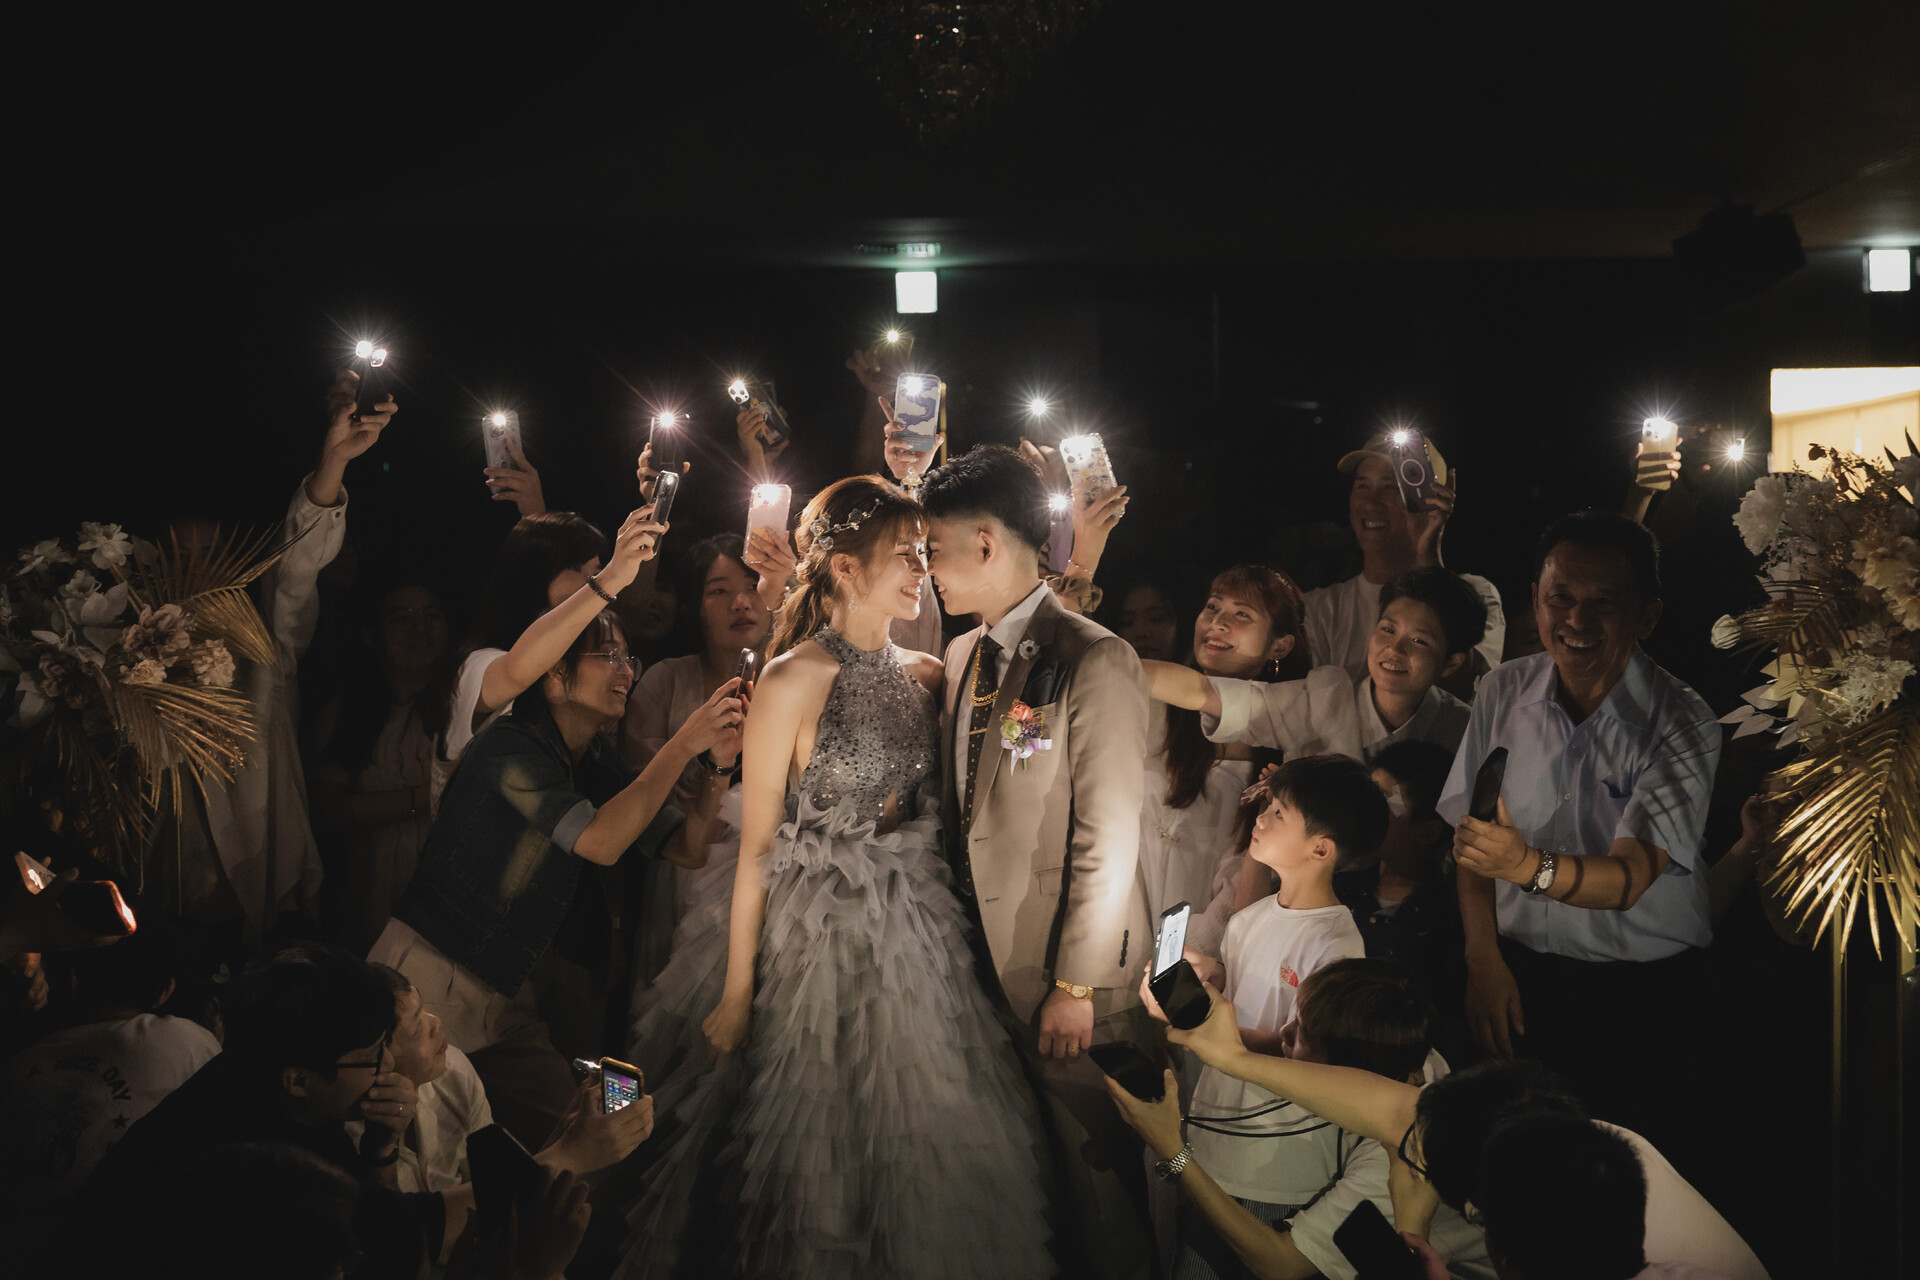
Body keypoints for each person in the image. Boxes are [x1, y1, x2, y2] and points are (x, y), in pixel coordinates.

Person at [623, 475, 1051, 1279]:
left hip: (915, 917)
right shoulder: (791, 678)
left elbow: (1015, 749)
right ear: (847, 569)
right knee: (814, 1135)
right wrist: (738, 993)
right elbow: (756, 847)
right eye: (905, 555)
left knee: (920, 1123)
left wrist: (1036, 725)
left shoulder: (931, 671)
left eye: (923, 554)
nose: (922, 570)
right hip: (810, 926)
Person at [921, 443, 1160, 1280]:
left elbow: (1110, 834)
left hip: (1070, 985)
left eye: (935, 549)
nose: (928, 569)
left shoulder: (1094, 656)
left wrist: (1077, 985)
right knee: (1034, 1196)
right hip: (982, 971)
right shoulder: (963, 656)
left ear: (986, 543)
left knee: (1105, 1197)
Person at [373, 610, 738, 1146]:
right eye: (607, 656)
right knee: (414, 1149)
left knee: (572, 1139)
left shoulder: (592, 760)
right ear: (555, 676)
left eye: (627, 657)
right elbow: (601, 842)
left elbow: (688, 848)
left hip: (509, 998)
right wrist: (683, 743)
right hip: (430, 982)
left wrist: (718, 766)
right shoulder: (508, 746)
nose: (625, 671)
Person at [1441, 511, 1720, 1155]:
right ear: (1535, 599)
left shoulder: (1682, 721)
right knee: (1512, 1174)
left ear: (1647, 616)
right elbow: (1472, 843)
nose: (1576, 620)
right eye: (1559, 597)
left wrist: (1525, 866)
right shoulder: (1501, 691)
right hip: (1519, 981)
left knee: (1632, 1186)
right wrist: (1482, 959)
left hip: (1641, 999)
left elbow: (1629, 880)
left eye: (1604, 603)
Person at [1164, 994, 1768, 1280]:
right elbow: (1397, 1110)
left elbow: (1280, 1266)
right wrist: (1234, 1058)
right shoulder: (1584, 1150)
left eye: (1415, 1160)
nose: (1402, 1150)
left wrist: (1172, 1151)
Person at [154, 369, 394, 943]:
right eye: (179, 558)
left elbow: (298, 565)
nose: (197, 573)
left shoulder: (265, 645)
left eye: (210, 555)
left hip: (258, 893)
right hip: (158, 897)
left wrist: (333, 463)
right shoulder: (123, 661)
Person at [1142, 756, 1387, 1279]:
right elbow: (1247, 989)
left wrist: (1210, 1030)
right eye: (1267, 806)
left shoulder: (1337, 944)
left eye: (1278, 813)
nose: (1260, 818)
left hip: (1278, 1156)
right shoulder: (1249, 918)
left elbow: (1311, 1054)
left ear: (1321, 849)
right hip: (1215, 1136)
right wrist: (1207, 979)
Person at [75, 945, 456, 1279]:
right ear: (299, 1081)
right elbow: (375, 1249)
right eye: (373, 1056)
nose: (388, 1064)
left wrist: (380, 1147)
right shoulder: (257, 1174)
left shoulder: (260, 1073)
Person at [1108, 958, 1494, 1280]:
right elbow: (1290, 1053)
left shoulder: (1396, 1163)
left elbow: (1280, 1263)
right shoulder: (1405, 1054)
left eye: (1302, 1034)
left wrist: (1172, 1150)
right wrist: (1205, 1034)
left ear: (1347, 1067)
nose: (1283, 1031)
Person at [0, 920, 220, 1246]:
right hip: (119, 1248)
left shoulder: (18, 1062)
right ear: (164, 992)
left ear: (73, 978)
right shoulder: (186, 1040)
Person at [344, 964, 654, 1194]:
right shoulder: (346, 1136)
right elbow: (402, 1237)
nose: (436, 1023)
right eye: (417, 1027)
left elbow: (493, 1195)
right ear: (374, 1060)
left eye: (425, 1010)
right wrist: (572, 1154)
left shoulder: (454, 1071)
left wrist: (566, 1132)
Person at [1147, 566, 1483, 767]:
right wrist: (1120, 665)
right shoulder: (1326, 697)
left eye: (1419, 640)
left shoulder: (1467, 732)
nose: (1394, 649)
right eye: (1387, 629)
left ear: (1451, 662)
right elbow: (1209, 693)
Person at [1138, 565, 1309, 956]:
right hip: (1125, 926)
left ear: (1280, 645)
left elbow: (1241, 890)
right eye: (1213, 607)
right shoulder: (1156, 711)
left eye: (1242, 614)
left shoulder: (1294, 736)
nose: (1217, 623)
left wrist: (1175, 961)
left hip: (1207, 956)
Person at [445, 504, 666, 767]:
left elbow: (633, 608)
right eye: (575, 567)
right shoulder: (477, 665)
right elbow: (517, 672)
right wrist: (610, 578)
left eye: (595, 571)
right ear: (531, 574)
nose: (589, 581)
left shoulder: (583, 674)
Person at [308, 574, 455, 953]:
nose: (421, 630)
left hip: (448, 903)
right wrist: (425, 798)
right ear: (371, 635)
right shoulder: (348, 714)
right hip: (368, 901)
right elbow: (326, 812)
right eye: (402, 618)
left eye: (432, 615)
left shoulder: (466, 707)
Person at [1307, 434, 1505, 698]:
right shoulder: (1320, 608)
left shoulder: (1476, 596)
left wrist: (1427, 557)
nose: (1371, 501)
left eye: (1391, 487)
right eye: (1362, 486)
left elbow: (1466, 689)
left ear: (1432, 499)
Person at [1339, 740, 1469, 1053]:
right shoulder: (1340, 886)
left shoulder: (1445, 925)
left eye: (1384, 802)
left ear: (1428, 832)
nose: (1365, 811)